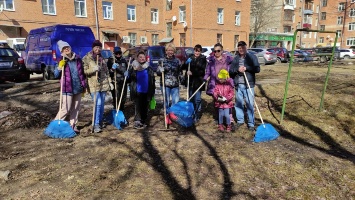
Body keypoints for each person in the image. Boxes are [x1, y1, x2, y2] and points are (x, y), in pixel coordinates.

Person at [53, 40, 87, 134]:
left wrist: (84, 85)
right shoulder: (61, 60)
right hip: (67, 88)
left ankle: (73, 125)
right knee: (65, 108)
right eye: (64, 48)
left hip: (78, 87)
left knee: (75, 108)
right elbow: (55, 75)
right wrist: (59, 68)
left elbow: (82, 74)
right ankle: (55, 125)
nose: (66, 49)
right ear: (62, 51)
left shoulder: (78, 59)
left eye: (67, 47)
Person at [83, 40, 114, 133]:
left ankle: (100, 122)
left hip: (103, 84)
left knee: (101, 105)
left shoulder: (102, 58)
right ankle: (96, 124)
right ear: (93, 48)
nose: (98, 49)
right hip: (93, 85)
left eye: (99, 47)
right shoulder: (87, 58)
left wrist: (110, 82)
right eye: (96, 47)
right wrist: (93, 69)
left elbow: (107, 72)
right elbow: (84, 71)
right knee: (98, 103)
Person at [229, 41, 260, 133]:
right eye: (239, 48)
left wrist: (247, 68)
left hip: (249, 85)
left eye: (242, 48)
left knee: (250, 104)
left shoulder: (252, 57)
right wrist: (237, 70)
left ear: (246, 48)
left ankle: (251, 123)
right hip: (239, 85)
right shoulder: (236, 59)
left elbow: (257, 69)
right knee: (238, 104)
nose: (241, 49)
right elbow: (231, 71)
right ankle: (240, 120)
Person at [203, 43, 234, 126]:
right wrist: (205, 79)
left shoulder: (227, 60)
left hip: (226, 84)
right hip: (215, 84)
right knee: (217, 101)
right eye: (215, 51)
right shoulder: (211, 61)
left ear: (222, 51)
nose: (216, 52)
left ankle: (229, 120)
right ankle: (219, 118)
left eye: (218, 51)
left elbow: (232, 70)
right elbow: (208, 72)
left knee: (227, 101)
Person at [127, 51, 156, 129]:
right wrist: (127, 75)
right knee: (138, 107)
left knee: (145, 107)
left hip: (146, 90)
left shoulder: (148, 68)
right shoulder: (133, 67)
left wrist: (153, 90)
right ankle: (137, 122)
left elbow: (152, 79)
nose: (142, 58)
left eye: (143, 57)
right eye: (140, 57)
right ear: (137, 58)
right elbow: (129, 79)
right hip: (137, 91)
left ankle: (142, 121)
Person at [182, 44, 207, 123]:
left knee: (198, 99)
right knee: (190, 99)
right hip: (191, 82)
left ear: (200, 52)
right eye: (196, 50)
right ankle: (191, 114)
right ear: (194, 51)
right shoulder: (190, 58)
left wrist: (192, 72)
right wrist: (186, 63)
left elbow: (202, 71)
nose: (197, 52)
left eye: (199, 51)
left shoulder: (203, 59)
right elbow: (183, 67)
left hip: (198, 82)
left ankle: (197, 114)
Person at [156, 43, 182, 112]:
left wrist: (183, 80)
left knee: (175, 101)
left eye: (172, 50)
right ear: (166, 51)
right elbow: (157, 72)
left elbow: (180, 72)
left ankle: (173, 115)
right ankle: (167, 115)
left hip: (175, 85)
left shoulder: (177, 61)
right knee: (166, 101)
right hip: (165, 84)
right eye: (168, 50)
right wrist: (160, 70)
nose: (170, 52)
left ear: (174, 51)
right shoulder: (162, 60)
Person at [107, 46, 128, 111]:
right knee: (117, 97)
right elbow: (107, 72)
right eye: (117, 53)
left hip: (123, 81)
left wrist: (127, 74)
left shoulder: (124, 60)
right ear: (114, 53)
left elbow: (127, 69)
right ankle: (116, 109)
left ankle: (121, 109)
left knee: (123, 97)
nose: (118, 55)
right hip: (115, 82)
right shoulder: (111, 60)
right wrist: (112, 69)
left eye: (119, 53)